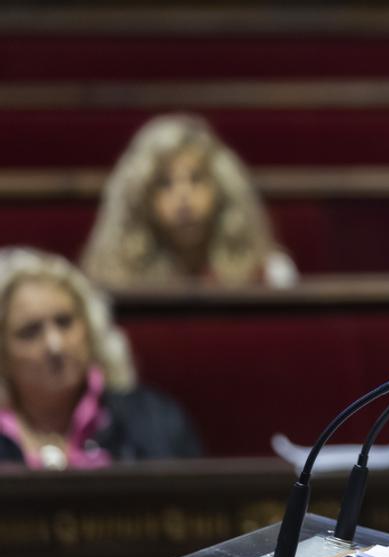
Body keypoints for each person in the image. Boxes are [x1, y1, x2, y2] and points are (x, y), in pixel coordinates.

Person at [0, 248, 203, 469]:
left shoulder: (155, 420)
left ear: (90, 327)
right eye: (30, 332)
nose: (55, 345)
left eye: (64, 322)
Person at [81, 113, 297, 288]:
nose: (183, 197)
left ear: (222, 188)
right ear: (140, 198)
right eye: (164, 184)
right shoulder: (109, 282)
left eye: (196, 179)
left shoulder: (270, 274)